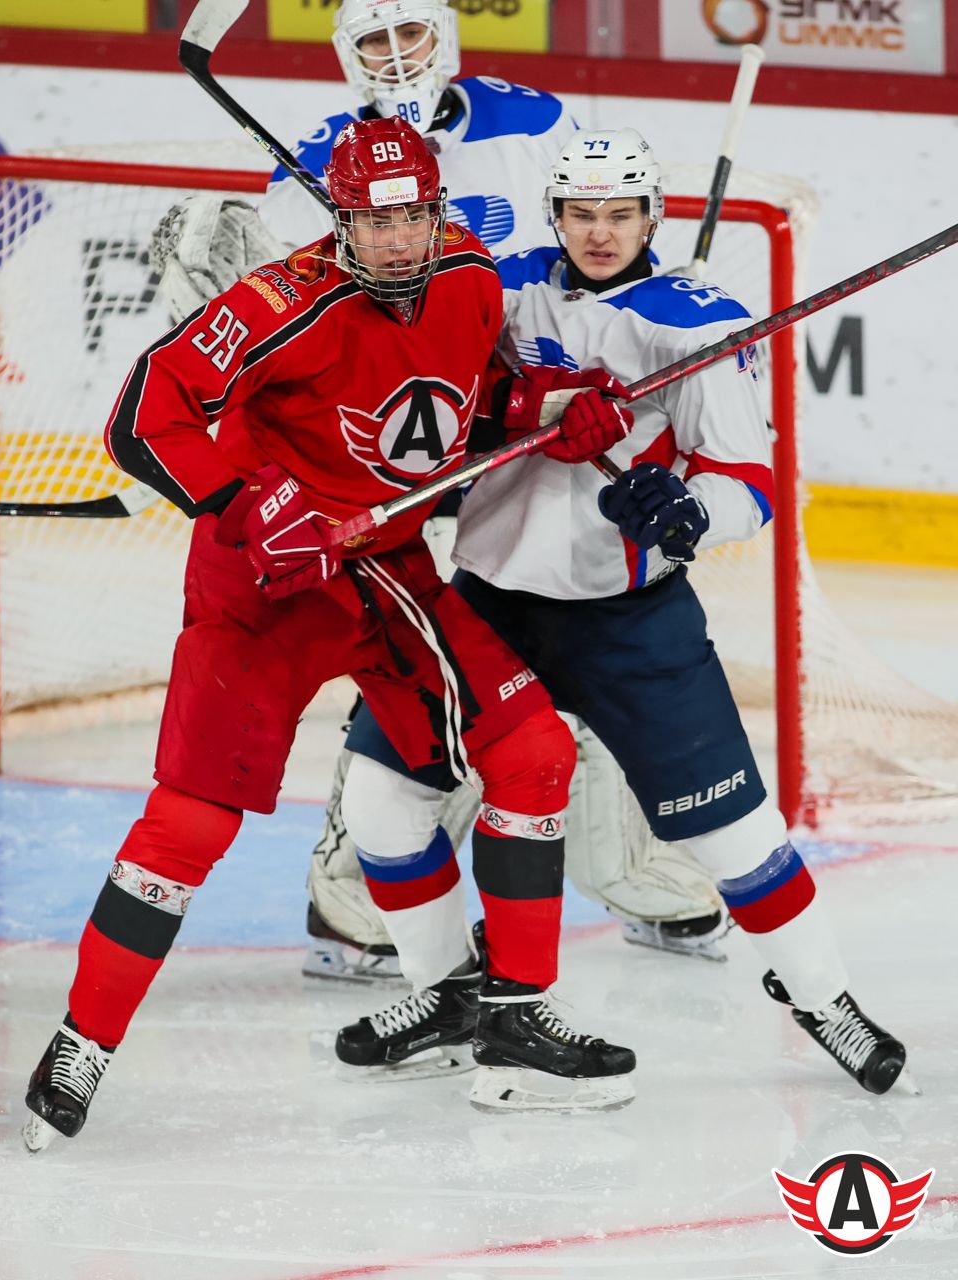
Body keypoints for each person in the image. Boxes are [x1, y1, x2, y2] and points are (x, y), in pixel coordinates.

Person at [22, 118, 641, 1150]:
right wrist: (245, 503)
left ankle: (512, 1023)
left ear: (437, 211)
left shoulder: (468, 278)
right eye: (373, 221)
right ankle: (83, 1040)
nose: (397, 240)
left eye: (413, 217)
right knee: (190, 827)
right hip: (262, 590)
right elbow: (143, 418)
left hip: (386, 573)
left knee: (535, 752)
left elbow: (463, 403)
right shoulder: (280, 304)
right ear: (339, 220)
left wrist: (549, 409)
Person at [331, 128, 912, 1107]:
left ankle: (823, 996)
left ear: (653, 217)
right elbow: (434, 393)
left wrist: (685, 512)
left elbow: (748, 480)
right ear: (554, 215)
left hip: (630, 619)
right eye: (580, 213)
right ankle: (452, 994)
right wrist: (531, 406)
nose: (599, 233)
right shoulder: (497, 288)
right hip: (487, 603)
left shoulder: (697, 324)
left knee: (734, 836)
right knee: (382, 799)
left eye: (619, 214)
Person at [150, 0, 725, 983]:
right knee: (426, 655)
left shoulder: (534, 119)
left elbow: (589, 230)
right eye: (372, 41)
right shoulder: (323, 155)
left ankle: (629, 866)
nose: (395, 57)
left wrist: (635, 294)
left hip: (524, 408)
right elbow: (279, 312)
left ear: (444, 34)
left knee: (572, 623)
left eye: (408, 33)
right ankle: (353, 895)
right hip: (391, 446)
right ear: (347, 54)